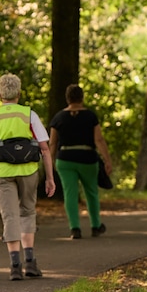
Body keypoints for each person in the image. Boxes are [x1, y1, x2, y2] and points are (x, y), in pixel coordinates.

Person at [0, 73, 56, 280]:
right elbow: (45, 149)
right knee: (27, 212)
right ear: (19, 93)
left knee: (10, 216)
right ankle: (30, 262)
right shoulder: (29, 114)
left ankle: (15, 265)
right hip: (28, 170)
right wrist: (50, 178)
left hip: (1, 172)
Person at [47, 84, 112, 239]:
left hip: (65, 159)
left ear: (67, 98)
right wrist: (107, 159)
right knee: (92, 192)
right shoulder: (90, 116)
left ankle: (75, 228)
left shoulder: (58, 118)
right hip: (87, 158)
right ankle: (96, 226)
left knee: (70, 193)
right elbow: (99, 140)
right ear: (82, 98)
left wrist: (50, 163)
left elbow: (53, 143)